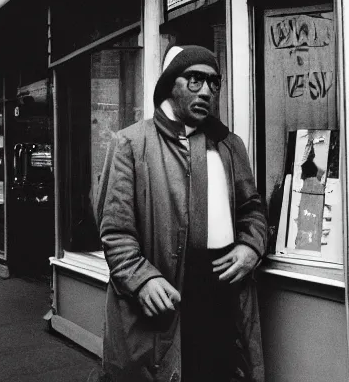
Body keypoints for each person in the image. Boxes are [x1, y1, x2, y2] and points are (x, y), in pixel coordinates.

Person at [98, 42, 267, 382]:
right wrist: (142, 279)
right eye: (194, 80)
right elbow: (115, 232)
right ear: (169, 85)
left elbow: (253, 209)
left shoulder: (229, 145)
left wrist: (252, 246)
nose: (206, 91)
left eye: (213, 83)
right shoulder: (131, 144)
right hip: (164, 298)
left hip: (223, 293)